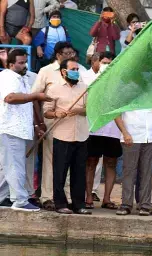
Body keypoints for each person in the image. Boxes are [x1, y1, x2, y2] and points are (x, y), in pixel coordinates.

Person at [0, 49, 52, 212]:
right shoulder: (8, 77)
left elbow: (28, 103)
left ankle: (2, 198)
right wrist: (36, 96)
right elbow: (10, 98)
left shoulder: (21, 78)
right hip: (11, 129)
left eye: (25, 62)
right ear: (10, 64)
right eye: (21, 63)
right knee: (16, 166)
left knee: (9, 166)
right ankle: (20, 201)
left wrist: (37, 124)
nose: (25, 65)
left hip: (19, 129)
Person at [43, 58, 91, 215]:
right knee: (60, 171)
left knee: (79, 171)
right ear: (64, 72)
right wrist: (57, 113)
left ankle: (78, 205)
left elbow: (90, 109)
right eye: (73, 69)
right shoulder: (54, 89)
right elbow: (47, 112)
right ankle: (60, 203)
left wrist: (78, 111)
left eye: (77, 70)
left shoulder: (84, 88)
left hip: (82, 136)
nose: (76, 72)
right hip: (62, 135)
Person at [31, 41, 75, 211]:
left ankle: (66, 197)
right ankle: (47, 197)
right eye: (67, 54)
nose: (71, 56)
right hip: (51, 120)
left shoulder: (76, 70)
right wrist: (39, 122)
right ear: (58, 55)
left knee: (68, 161)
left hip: (71, 122)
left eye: (72, 54)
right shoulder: (46, 71)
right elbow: (35, 96)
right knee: (50, 160)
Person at [81, 52, 119, 210]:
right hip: (93, 128)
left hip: (113, 128)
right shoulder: (85, 77)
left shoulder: (117, 79)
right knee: (91, 163)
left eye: (110, 62)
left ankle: (107, 199)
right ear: (95, 62)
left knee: (111, 163)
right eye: (104, 62)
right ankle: (88, 197)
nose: (107, 65)